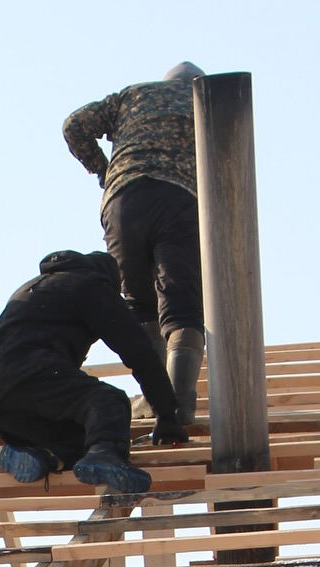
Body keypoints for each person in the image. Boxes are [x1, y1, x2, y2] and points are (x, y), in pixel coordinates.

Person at [63, 61, 207, 425]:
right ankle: (180, 409)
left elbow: (74, 125)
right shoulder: (206, 102)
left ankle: (157, 402)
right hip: (179, 199)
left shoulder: (134, 95)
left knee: (140, 308)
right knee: (183, 310)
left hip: (123, 201)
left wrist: (104, 169)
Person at [0, 250, 187, 495]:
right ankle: (105, 454)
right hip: (29, 372)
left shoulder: (33, 287)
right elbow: (139, 352)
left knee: (82, 438)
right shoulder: (91, 284)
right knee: (108, 402)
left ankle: (38, 453)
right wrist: (167, 413)